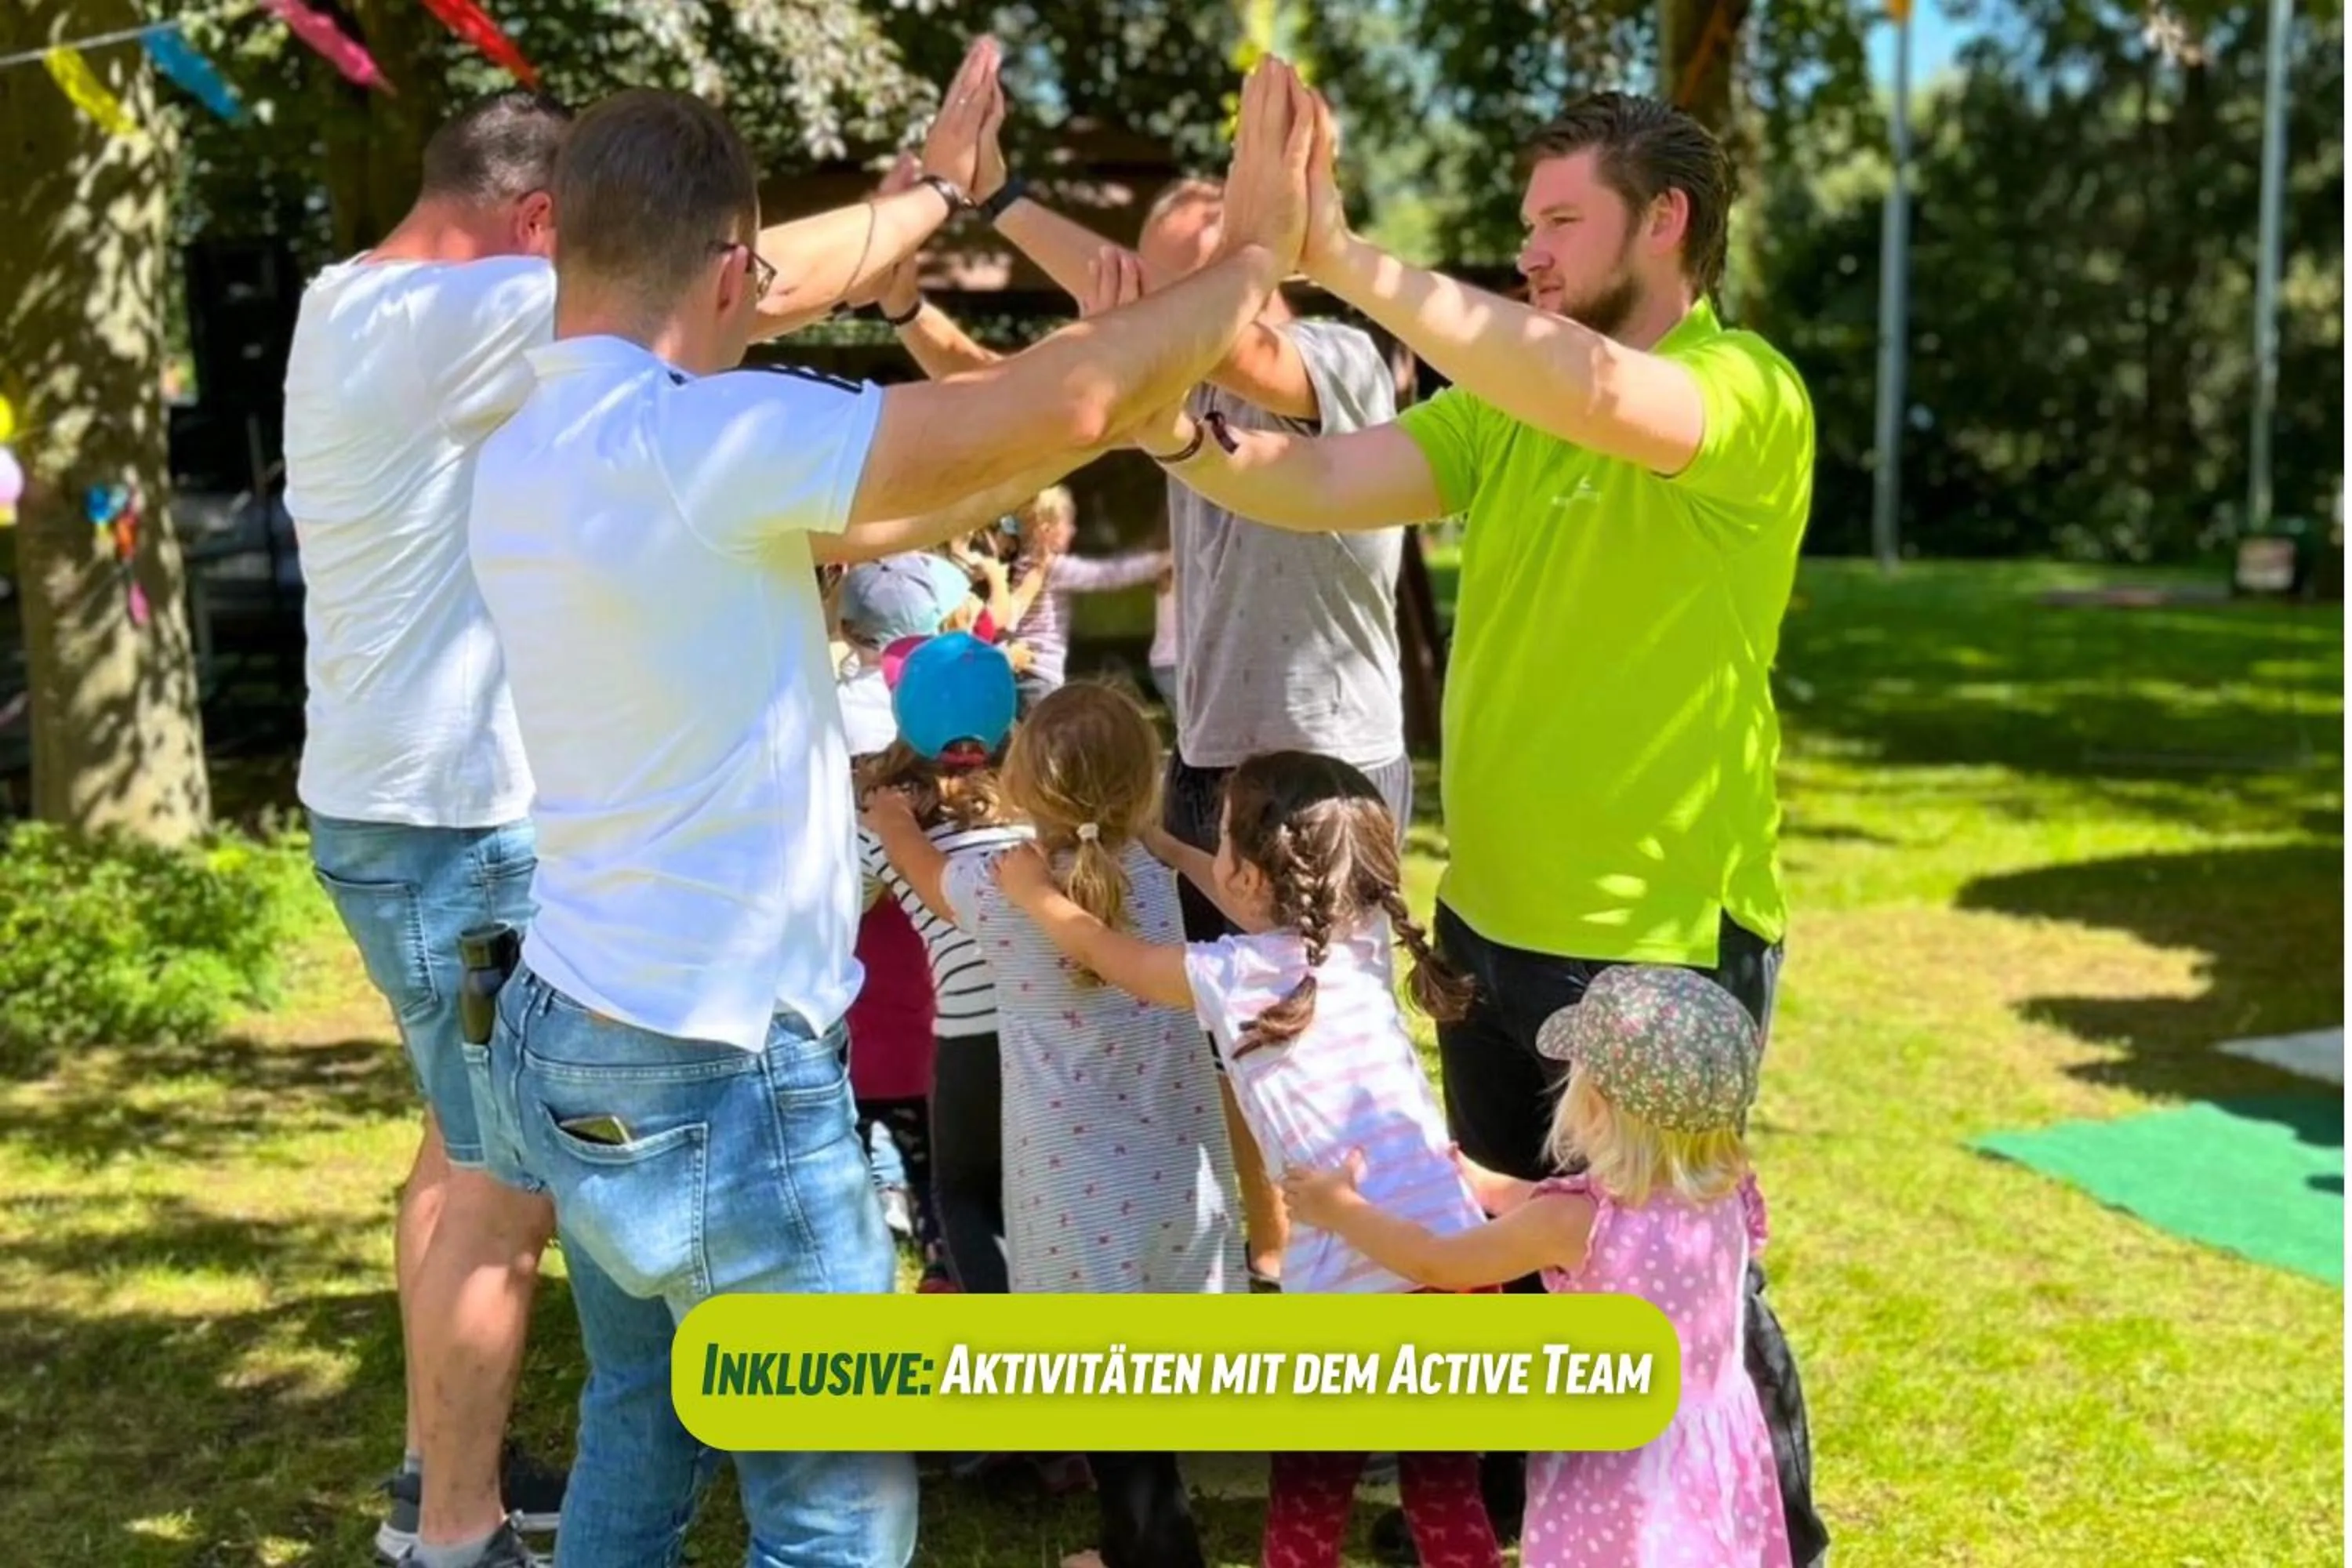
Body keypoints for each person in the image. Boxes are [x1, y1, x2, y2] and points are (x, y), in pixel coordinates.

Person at [462, 52, 1317, 1568]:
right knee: (836, 1512)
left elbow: (947, 475)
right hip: (720, 1070)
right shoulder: (696, 439)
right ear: (735, 272)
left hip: (575, 1023)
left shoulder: (530, 436)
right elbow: (1060, 394)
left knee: (640, 1436)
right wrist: (1249, 261)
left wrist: (1016, 322)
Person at [1116, 88, 1828, 1566]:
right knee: (1506, 1276)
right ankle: (1522, 1525)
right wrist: (1162, 422)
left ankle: (1776, 1541)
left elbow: (1597, 391)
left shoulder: (1739, 392)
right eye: (1526, 224)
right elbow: (1309, 480)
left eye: (1561, 220)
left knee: (1679, 1285)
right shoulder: (1506, 409)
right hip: (1488, 927)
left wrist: (1348, 257)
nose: (1535, 250)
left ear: (1666, 220)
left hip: (1658, 954)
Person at [878, 166, 1407, 1294]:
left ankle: (1374, 1293)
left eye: (1194, 274)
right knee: (1221, 1040)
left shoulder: (1340, 364)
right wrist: (905, 303)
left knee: (1331, 1055)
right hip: (1213, 762)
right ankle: (1270, 1263)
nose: (1167, 300)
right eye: (1160, 275)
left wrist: (1019, 208)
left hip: (1325, 774)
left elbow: (1217, 342)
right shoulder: (1174, 391)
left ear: (1269, 262)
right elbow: (1004, 404)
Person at [281, 90, 577, 1568]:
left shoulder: (349, 299)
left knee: (453, 1160)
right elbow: (692, 278)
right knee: (509, 1192)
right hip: (448, 827)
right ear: (533, 228)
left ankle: (436, 1469)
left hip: (384, 810)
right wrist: (928, 199)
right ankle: (454, 1538)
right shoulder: (450, 318)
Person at [993, 751, 1500, 1568]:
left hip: (1349, 1293)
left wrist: (1030, 892)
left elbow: (1107, 952)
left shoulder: (1229, 977)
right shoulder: (1364, 937)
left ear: (1253, 875)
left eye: (1220, 839)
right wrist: (1172, 847)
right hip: (1458, 1265)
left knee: (1307, 1500)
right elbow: (1246, 887)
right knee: (1445, 1496)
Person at [876, 682, 1238, 1568]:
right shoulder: (1152, 877)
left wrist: (893, 819)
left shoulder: (1002, 888)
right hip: (1177, 1181)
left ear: (1022, 785)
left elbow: (918, 869)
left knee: (1115, 1416)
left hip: (1078, 1197)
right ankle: (1131, 1541)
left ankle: (1155, 1549)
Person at [1283, 966, 1795, 1568]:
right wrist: (1480, 1181)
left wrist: (1339, 1209)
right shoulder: (1721, 1191)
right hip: (1706, 1448)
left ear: (1597, 1104)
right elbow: (1554, 1207)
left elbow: (1437, 1262)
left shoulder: (1574, 1222)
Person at [854, 633, 1031, 1298]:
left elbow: (844, 912)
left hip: (971, 1036)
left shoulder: (884, 819)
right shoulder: (1039, 802)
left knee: (966, 1196)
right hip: (1061, 1019)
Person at [995, 485, 1169, 709]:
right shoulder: (1048, 567)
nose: (1073, 530)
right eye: (1067, 523)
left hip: (1018, 672)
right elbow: (1108, 575)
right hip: (1040, 676)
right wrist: (1166, 560)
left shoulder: (1017, 562)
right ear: (1047, 531)